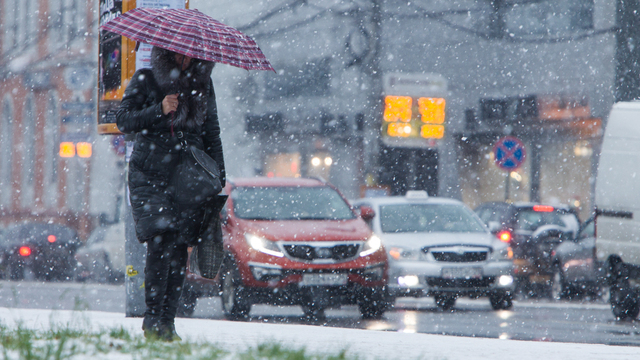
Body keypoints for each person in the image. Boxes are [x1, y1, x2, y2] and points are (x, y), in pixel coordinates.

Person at [116, 46, 225, 341]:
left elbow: (211, 131)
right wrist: (159, 109)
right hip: (149, 174)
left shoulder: (203, 84)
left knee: (180, 249)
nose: (187, 59)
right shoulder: (146, 79)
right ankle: (153, 320)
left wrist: (219, 177)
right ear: (166, 52)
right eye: (181, 53)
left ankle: (168, 322)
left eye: (193, 55)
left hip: (188, 178)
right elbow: (124, 121)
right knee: (160, 240)